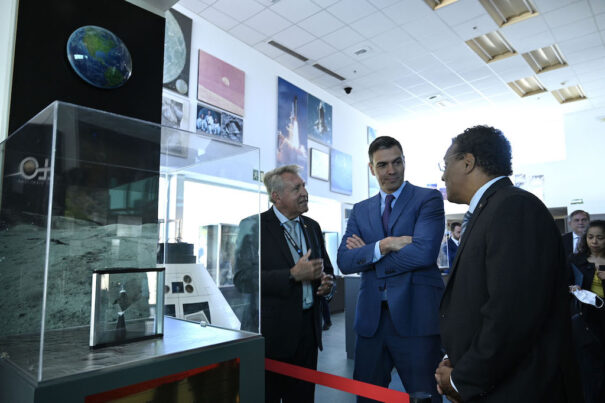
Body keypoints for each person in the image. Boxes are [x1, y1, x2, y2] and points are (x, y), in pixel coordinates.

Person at [436, 125, 580, 402]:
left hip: (519, 387)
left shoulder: (514, 208)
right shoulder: (489, 210)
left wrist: (462, 378)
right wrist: (454, 359)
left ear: (467, 162)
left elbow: (511, 313)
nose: (442, 175)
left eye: (445, 165)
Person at [337, 136, 445, 403]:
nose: (391, 170)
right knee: (367, 397)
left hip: (416, 318)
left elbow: (424, 253)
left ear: (404, 162)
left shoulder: (427, 199)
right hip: (371, 322)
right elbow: (344, 261)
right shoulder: (361, 211)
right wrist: (384, 245)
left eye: (397, 162)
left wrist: (369, 256)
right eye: (382, 165)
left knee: (425, 397)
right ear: (372, 169)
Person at [233, 164, 334, 403]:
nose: (304, 192)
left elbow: (327, 269)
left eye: (304, 186)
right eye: (296, 188)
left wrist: (328, 286)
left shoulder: (313, 226)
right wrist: (291, 274)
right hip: (271, 340)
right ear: (276, 197)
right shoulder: (253, 226)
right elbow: (242, 278)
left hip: (308, 338)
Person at [568, 220, 605, 403]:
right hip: (586, 320)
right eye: (590, 237)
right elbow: (565, 283)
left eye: (600, 238)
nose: (594, 242)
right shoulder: (577, 260)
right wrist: (573, 288)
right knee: (589, 370)